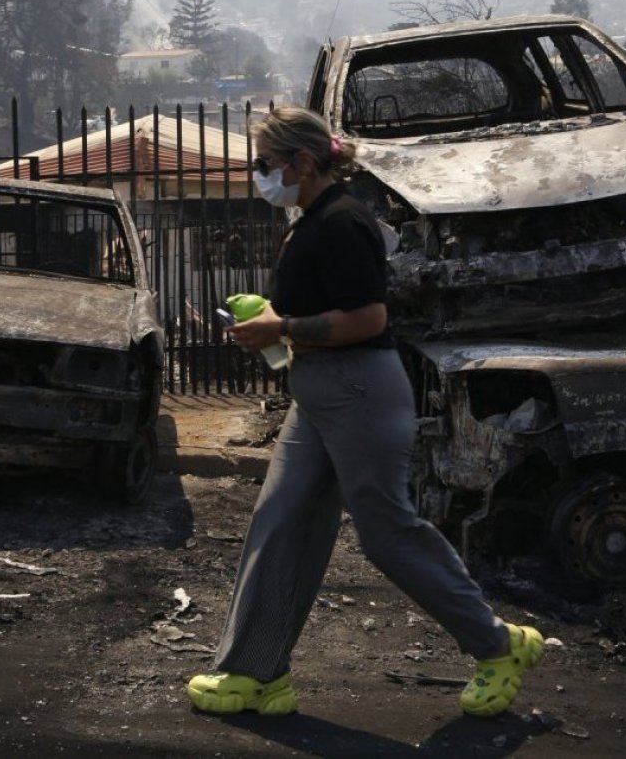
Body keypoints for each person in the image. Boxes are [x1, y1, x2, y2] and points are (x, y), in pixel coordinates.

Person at [187, 106, 543, 718]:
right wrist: (268, 319)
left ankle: (498, 645)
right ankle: (255, 672)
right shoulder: (312, 219)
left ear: (302, 162)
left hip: (358, 392)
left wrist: (285, 324)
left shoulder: (343, 221)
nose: (258, 174)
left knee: (386, 534)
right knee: (280, 522)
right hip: (320, 392)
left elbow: (369, 319)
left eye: (264, 163)